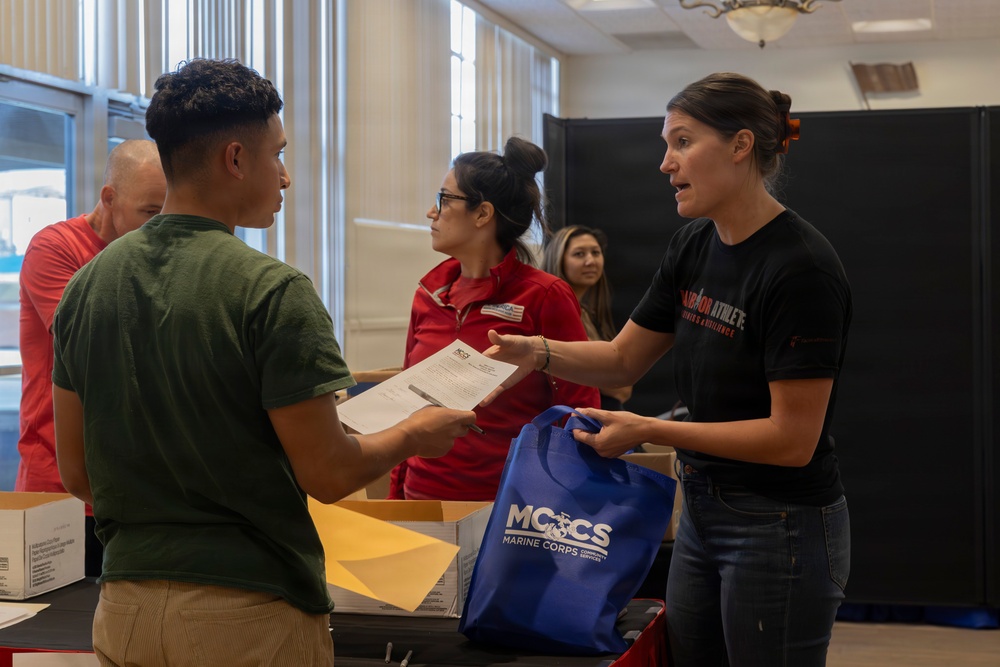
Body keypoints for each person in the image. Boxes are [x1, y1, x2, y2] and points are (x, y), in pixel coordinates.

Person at [51, 58, 475, 667]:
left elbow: (78, 474)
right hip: (246, 615)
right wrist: (414, 433)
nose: (285, 177)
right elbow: (327, 475)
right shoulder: (270, 290)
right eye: (276, 154)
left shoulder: (87, 286)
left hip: (124, 611)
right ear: (234, 158)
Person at [483, 72, 852, 667]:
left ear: (739, 146)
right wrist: (537, 350)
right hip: (704, 508)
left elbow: (791, 440)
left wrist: (651, 431)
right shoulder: (693, 246)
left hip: (779, 523)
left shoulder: (800, 268)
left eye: (682, 142)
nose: (665, 163)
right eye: (665, 145)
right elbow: (624, 358)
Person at [388, 136, 600, 501]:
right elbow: (409, 407)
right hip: (421, 498)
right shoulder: (429, 294)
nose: (431, 212)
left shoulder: (543, 295)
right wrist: (396, 492)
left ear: (483, 214)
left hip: (508, 506)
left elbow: (581, 411)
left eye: (444, 199)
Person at [17, 139, 166, 577]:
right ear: (109, 198)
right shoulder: (55, 248)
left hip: (134, 484)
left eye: (168, 215)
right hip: (60, 485)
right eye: (149, 213)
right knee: (53, 638)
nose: (158, 229)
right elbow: (92, 344)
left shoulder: (153, 256)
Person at [541, 225, 632, 410]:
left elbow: (622, 390)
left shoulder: (589, 315)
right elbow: (618, 387)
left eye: (596, 253)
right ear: (558, 259)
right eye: (579, 254)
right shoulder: (555, 313)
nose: (591, 261)